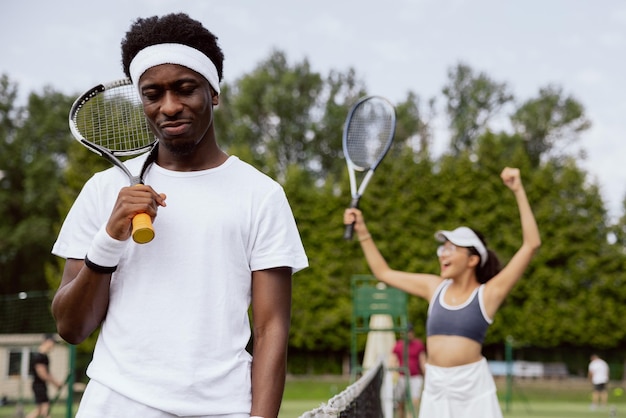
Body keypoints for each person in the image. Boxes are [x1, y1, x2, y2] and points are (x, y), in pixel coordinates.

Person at [51, 13, 308, 418]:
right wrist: (110, 238)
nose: (169, 107)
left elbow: (271, 329)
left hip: (223, 409)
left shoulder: (262, 195)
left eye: (185, 89)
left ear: (214, 93)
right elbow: (71, 327)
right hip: (115, 404)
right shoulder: (103, 192)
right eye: (153, 94)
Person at [343, 167, 540, 418]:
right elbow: (384, 273)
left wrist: (518, 190)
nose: (442, 254)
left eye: (451, 249)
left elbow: (531, 244)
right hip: (435, 387)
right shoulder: (434, 287)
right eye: (442, 249)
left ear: (472, 260)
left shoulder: (488, 294)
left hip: (472, 389)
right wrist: (362, 231)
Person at [391, 325, 426, 417]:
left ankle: (410, 416)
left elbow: (422, 360)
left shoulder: (418, 345)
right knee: (400, 403)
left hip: (415, 377)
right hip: (402, 377)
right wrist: (394, 374)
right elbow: (393, 361)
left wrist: (426, 375)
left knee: (414, 402)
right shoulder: (398, 345)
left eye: (410, 332)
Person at [26, 334, 64, 418]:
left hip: (40, 386)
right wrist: (55, 383)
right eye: (53, 342)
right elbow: (42, 374)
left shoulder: (44, 356)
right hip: (38, 386)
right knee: (45, 411)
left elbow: (47, 373)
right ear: (47, 342)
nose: (53, 345)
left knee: (39, 411)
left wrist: (56, 382)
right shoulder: (39, 356)